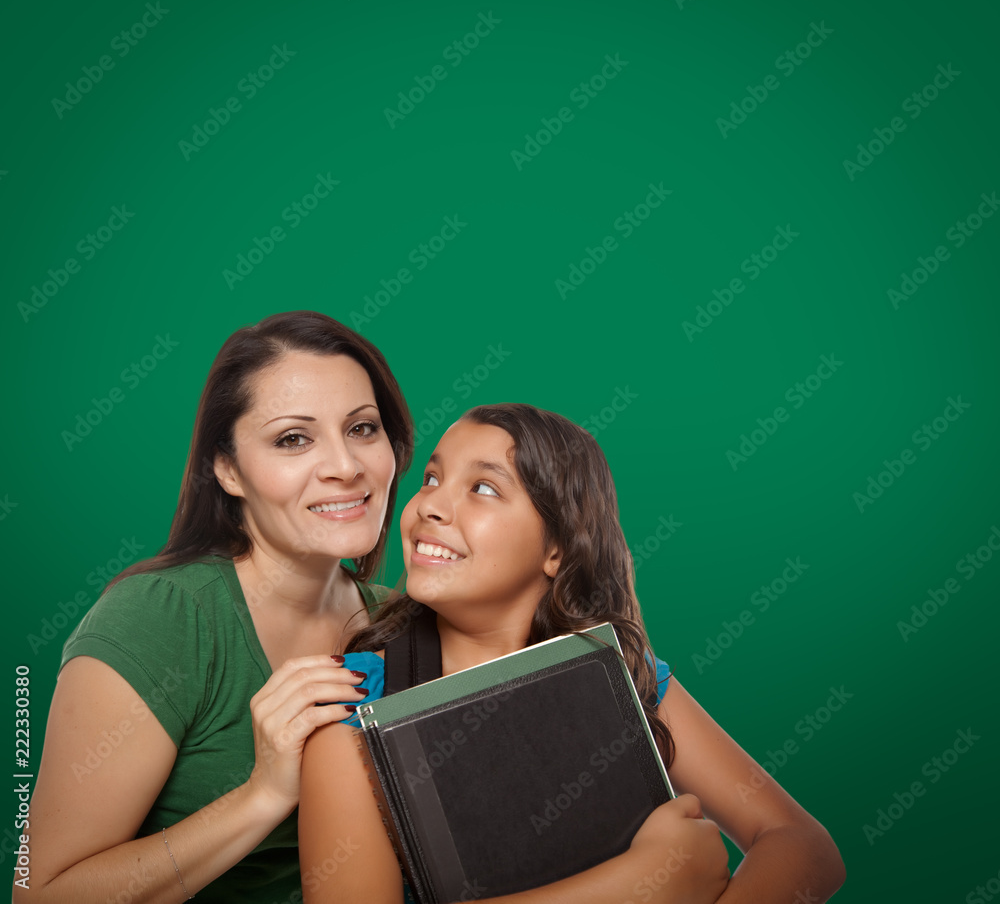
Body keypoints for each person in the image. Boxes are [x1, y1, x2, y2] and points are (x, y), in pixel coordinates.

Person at [299, 404, 846, 903]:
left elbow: (801, 844)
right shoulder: (348, 710)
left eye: (484, 488)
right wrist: (641, 885)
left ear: (557, 549)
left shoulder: (627, 678)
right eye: (432, 478)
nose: (429, 506)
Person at [16, 311, 414, 904]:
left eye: (362, 428)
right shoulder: (162, 618)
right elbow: (38, 894)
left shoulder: (403, 622)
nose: (346, 466)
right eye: (293, 439)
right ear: (227, 469)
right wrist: (263, 794)